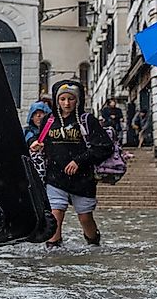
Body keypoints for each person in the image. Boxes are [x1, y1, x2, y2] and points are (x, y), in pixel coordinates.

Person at [29, 80, 114, 248]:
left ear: (78, 100)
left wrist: (79, 160)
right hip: (55, 177)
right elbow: (39, 140)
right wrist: (35, 144)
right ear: (56, 100)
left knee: (85, 217)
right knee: (55, 216)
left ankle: (93, 244)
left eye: (71, 99)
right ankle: (53, 253)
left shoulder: (87, 120)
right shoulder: (49, 121)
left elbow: (105, 147)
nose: (66, 103)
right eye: (62, 99)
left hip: (83, 180)